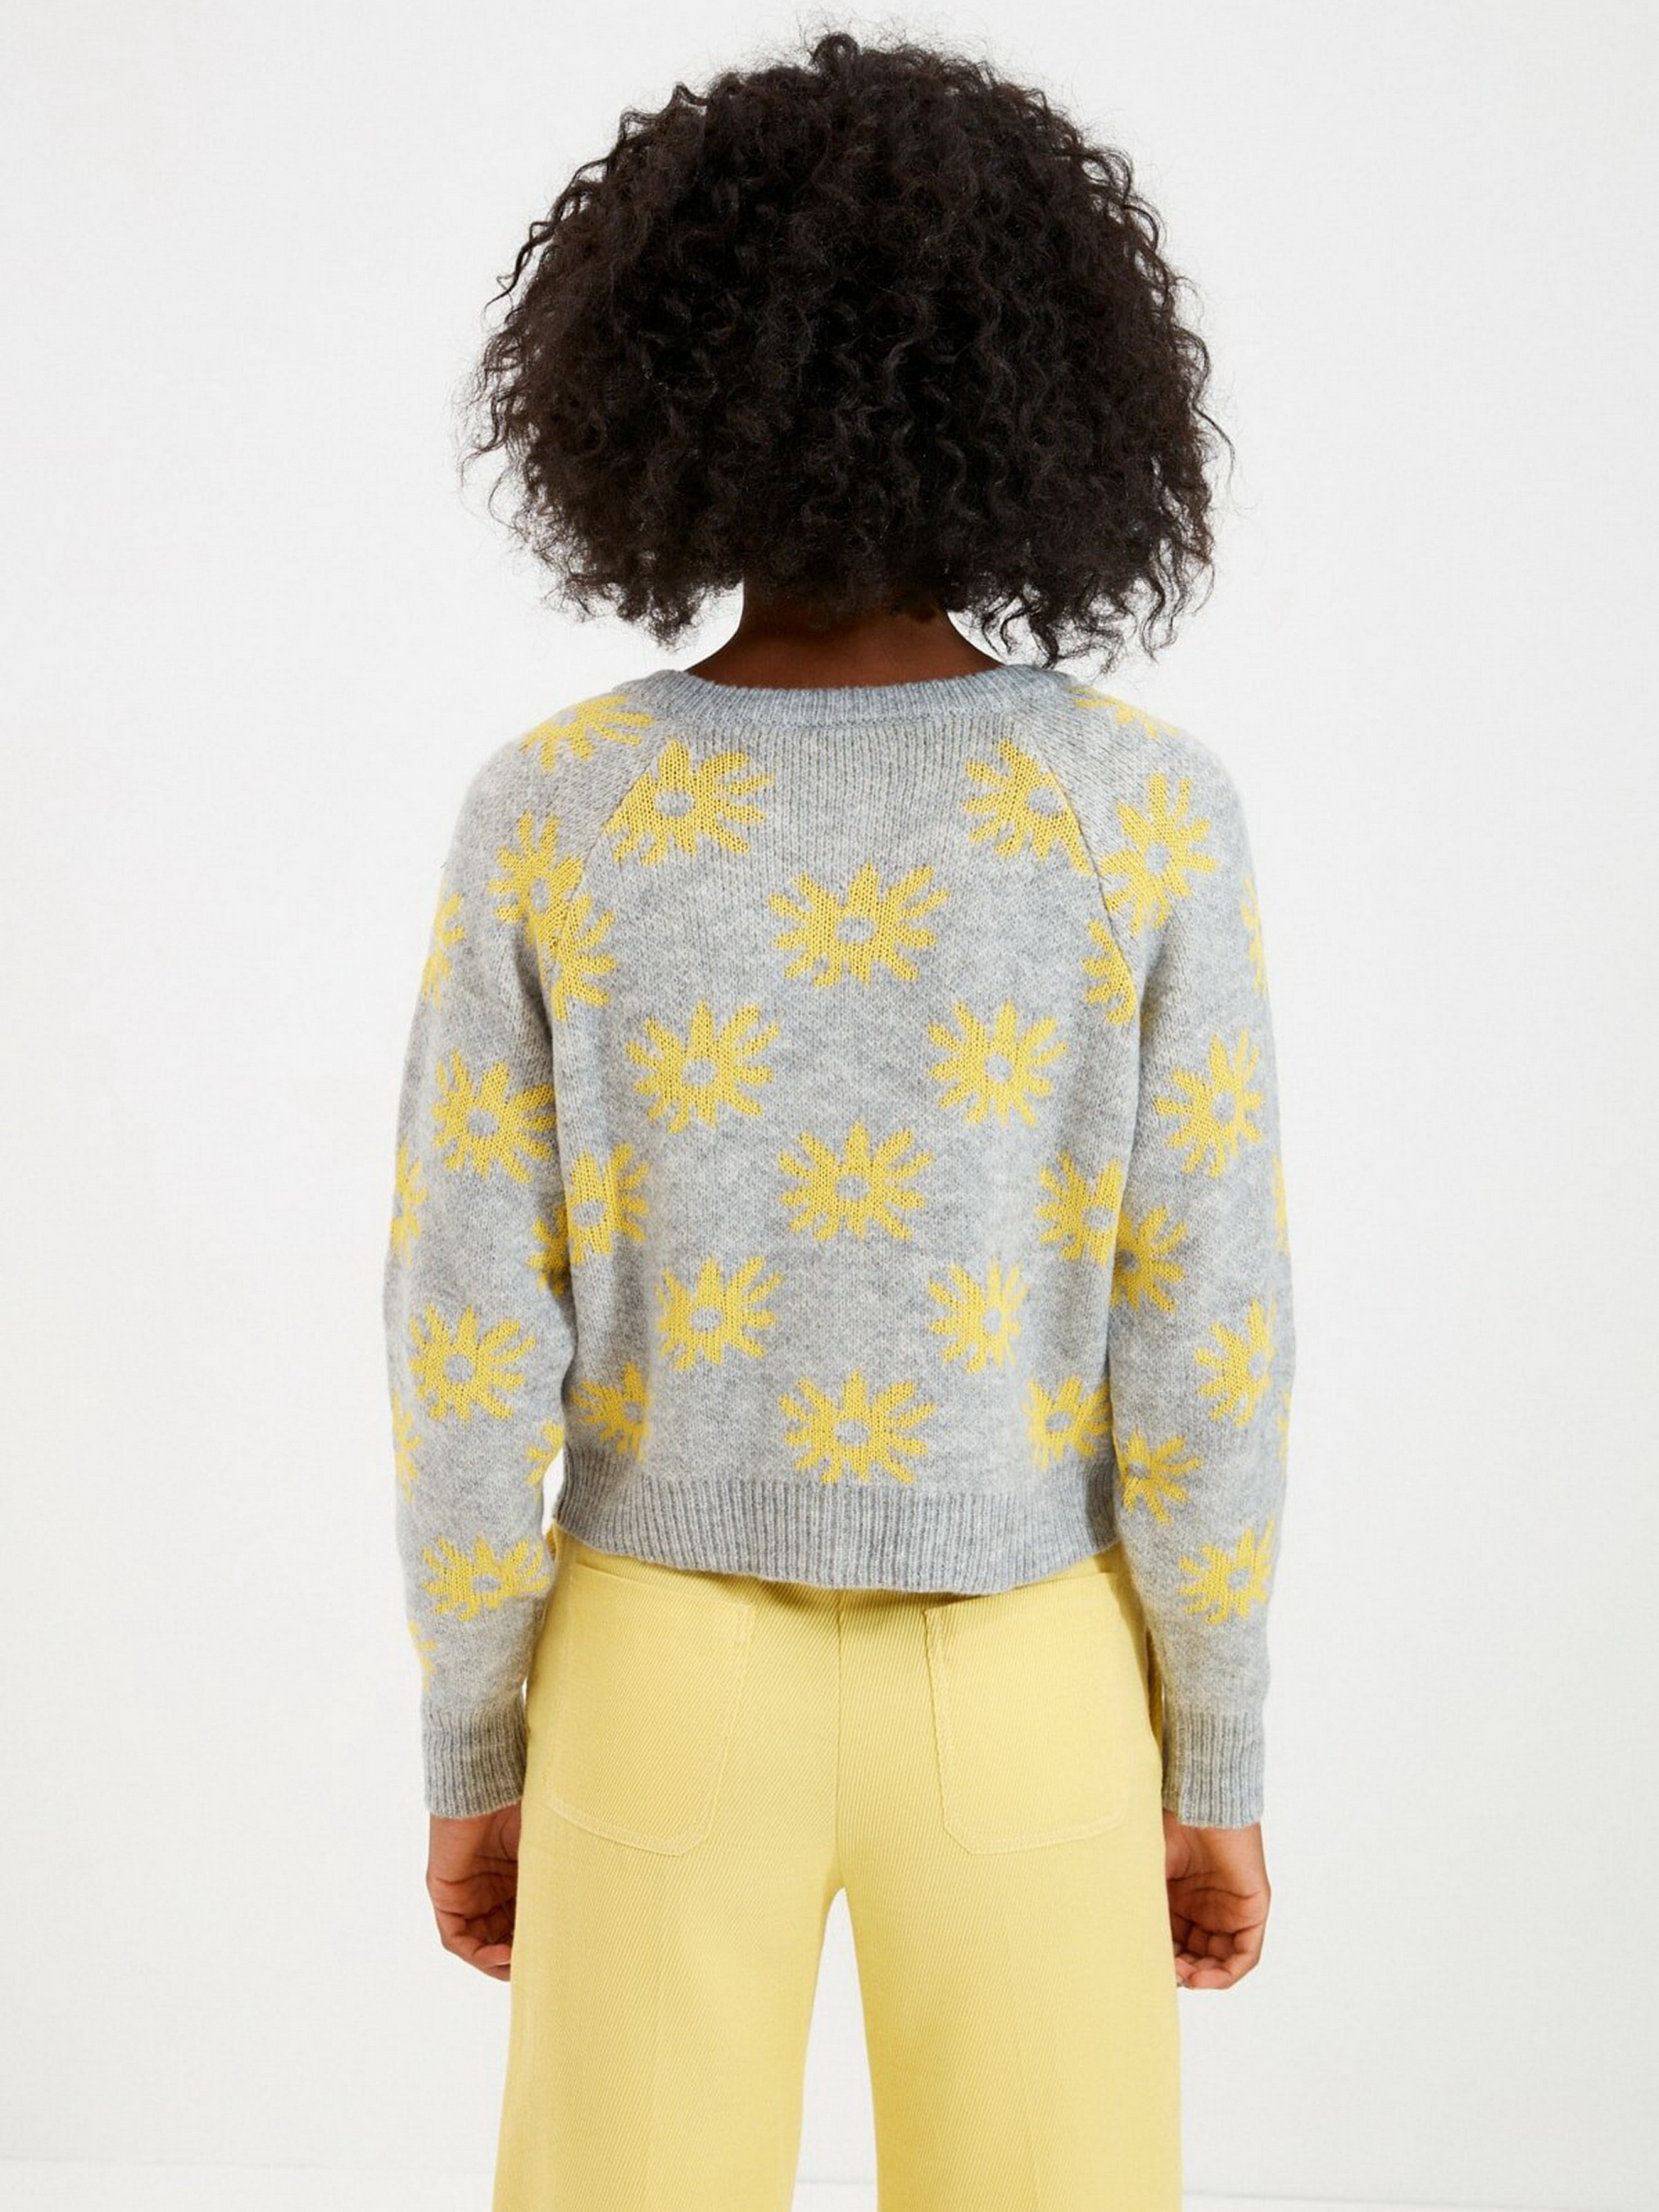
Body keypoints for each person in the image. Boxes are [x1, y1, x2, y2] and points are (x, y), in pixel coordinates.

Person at [381, 27, 1295, 2210]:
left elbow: (464, 1328)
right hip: (1033, 1673)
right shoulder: (1140, 817)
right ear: (1053, 396)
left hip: (653, 1675)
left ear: (643, 386)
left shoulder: (560, 810)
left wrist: (479, 1734)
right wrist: (1213, 1750)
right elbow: (1207, 1327)